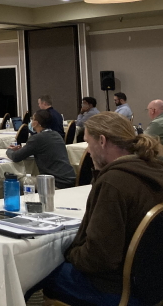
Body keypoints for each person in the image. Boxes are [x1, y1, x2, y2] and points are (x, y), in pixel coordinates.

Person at [27, 112, 163, 305]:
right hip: (151, 285)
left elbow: (99, 257)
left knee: (35, 271)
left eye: (88, 143)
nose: (88, 151)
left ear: (102, 141)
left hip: (114, 289)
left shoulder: (114, 183)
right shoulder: (153, 170)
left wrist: (68, 253)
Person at [5, 110, 75, 189]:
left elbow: (15, 157)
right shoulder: (56, 134)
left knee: (17, 180)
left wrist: (9, 150)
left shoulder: (36, 138)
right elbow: (44, 149)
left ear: (36, 122)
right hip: (69, 179)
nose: (31, 122)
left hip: (54, 183)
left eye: (33, 119)